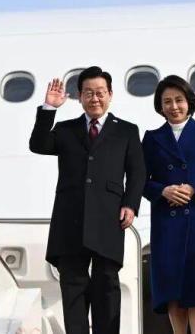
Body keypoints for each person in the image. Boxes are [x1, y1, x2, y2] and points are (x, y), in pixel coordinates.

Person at [29, 66, 146, 334]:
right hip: (70, 219)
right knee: (73, 287)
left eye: (100, 92)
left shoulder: (126, 131)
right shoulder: (65, 129)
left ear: (110, 94)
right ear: (80, 96)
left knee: (107, 284)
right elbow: (38, 145)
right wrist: (49, 108)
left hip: (109, 217)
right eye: (89, 93)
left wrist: (130, 204)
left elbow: (137, 171)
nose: (95, 98)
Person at [142, 75, 195, 334]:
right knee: (171, 285)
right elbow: (141, 181)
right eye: (167, 101)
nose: (174, 106)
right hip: (166, 220)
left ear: (189, 101)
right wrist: (163, 190)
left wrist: (193, 188)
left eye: (178, 100)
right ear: (160, 106)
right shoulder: (152, 138)